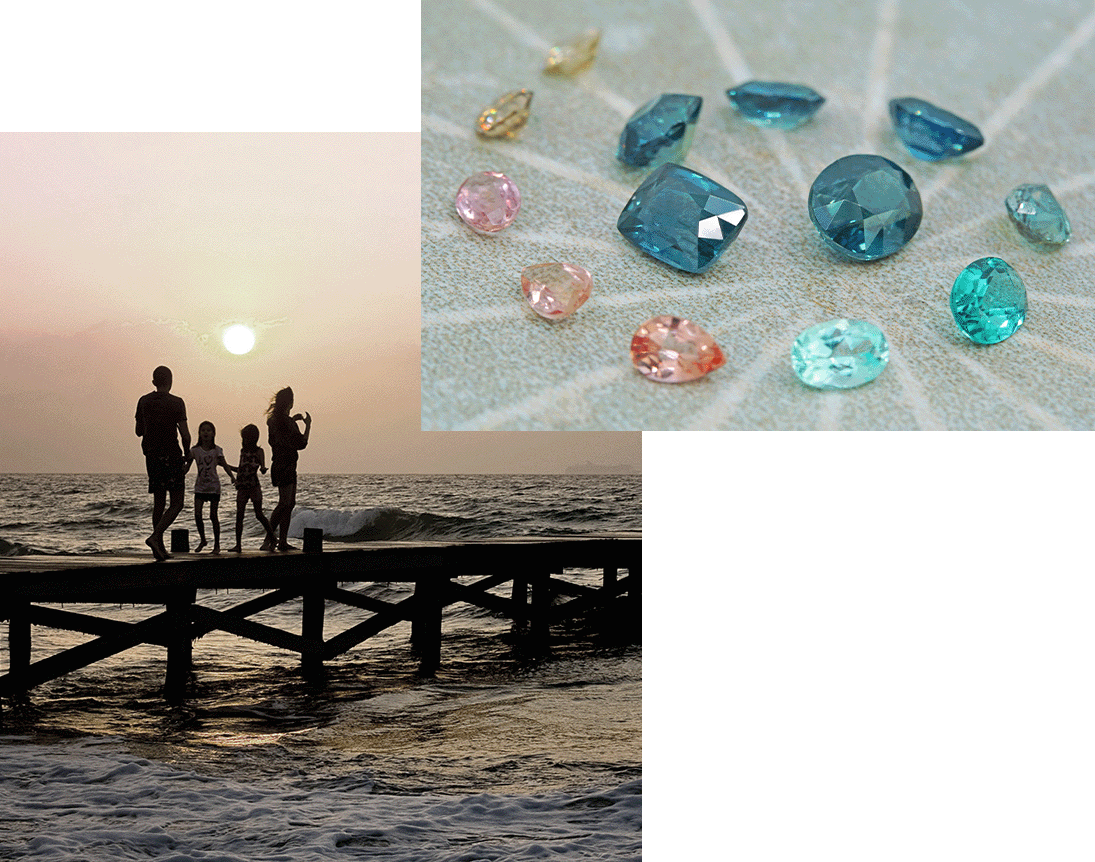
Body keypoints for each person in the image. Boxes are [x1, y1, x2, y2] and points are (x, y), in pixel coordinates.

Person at [135, 366, 191, 561]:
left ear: (153, 382)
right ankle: (156, 537)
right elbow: (185, 434)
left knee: (158, 503)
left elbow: (138, 431)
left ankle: (159, 548)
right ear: (171, 380)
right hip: (172, 455)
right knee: (177, 502)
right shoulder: (177, 403)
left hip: (152, 456)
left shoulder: (143, 401)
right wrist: (187, 454)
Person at [265, 387, 311, 551]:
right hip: (287, 465)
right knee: (285, 503)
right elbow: (301, 443)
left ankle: (280, 541)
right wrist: (308, 425)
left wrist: (292, 419)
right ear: (289, 402)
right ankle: (269, 540)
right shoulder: (286, 422)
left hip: (279, 464)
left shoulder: (275, 420)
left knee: (289, 503)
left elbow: (281, 436)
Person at [188, 420, 236, 554]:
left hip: (214, 487)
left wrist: (232, 477)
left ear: (213, 433)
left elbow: (224, 465)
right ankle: (203, 540)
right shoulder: (195, 450)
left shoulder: (217, 450)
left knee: (213, 515)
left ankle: (216, 545)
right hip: (200, 487)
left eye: (209, 430)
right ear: (199, 433)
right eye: (203, 430)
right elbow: (186, 466)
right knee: (197, 514)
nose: (206, 433)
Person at [228, 423, 276, 553]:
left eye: (246, 438)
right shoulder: (242, 451)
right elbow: (240, 469)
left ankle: (272, 538)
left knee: (259, 514)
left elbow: (262, 467)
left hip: (254, 486)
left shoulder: (259, 451)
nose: (244, 441)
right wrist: (226, 466)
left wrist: (263, 468)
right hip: (242, 487)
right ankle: (238, 545)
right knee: (239, 515)